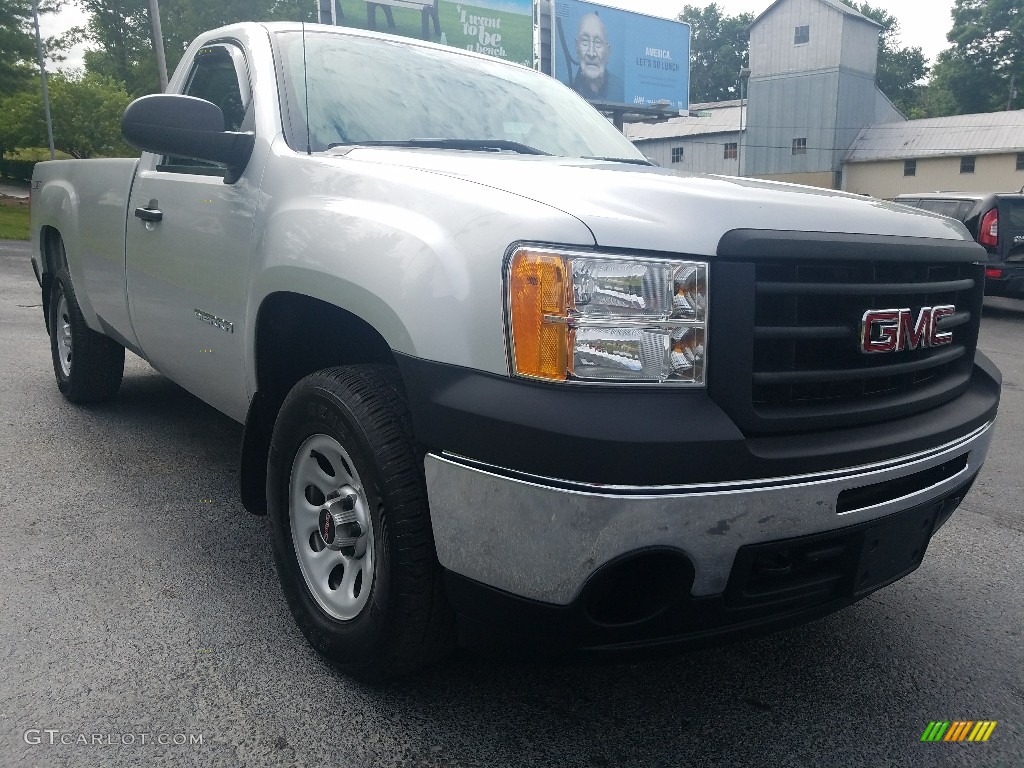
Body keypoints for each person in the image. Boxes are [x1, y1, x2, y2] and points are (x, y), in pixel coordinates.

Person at [571, 12, 623, 103]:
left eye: (598, 43)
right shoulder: (564, 90)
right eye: (585, 41)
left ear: (608, 52)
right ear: (576, 47)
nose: (591, 53)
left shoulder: (622, 91)